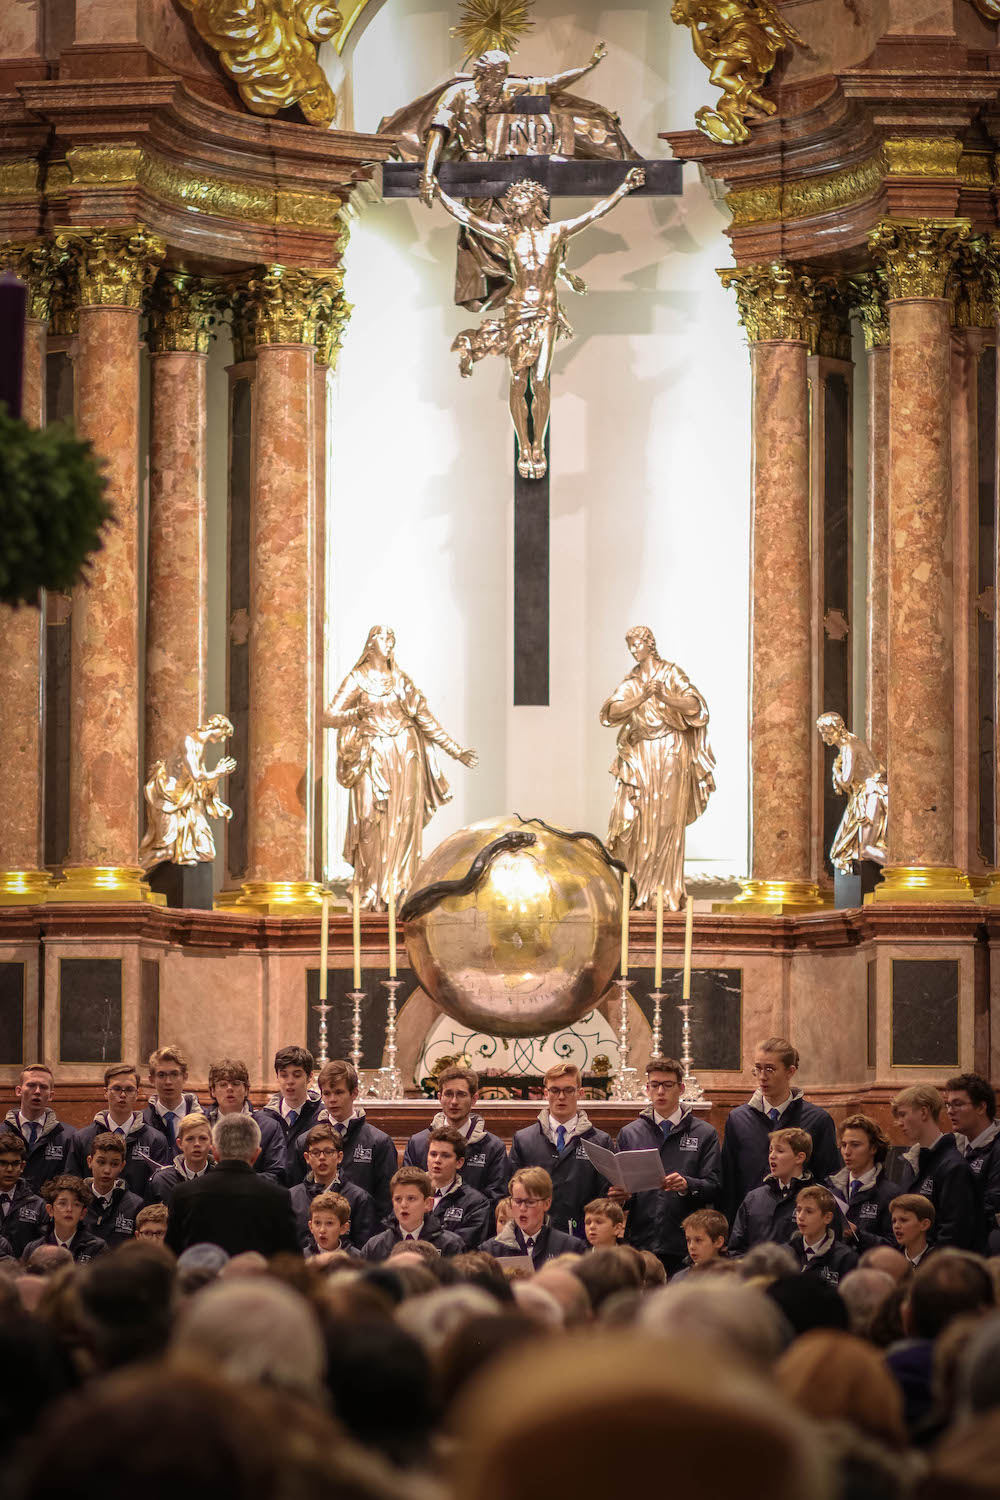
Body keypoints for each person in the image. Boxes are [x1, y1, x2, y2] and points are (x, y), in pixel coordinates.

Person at [437, 171, 646, 481]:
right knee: (518, 378)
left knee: (540, 378)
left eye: (518, 201)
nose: (511, 206)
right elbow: (467, 216)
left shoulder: (557, 232)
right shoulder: (508, 235)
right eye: (511, 202)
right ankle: (523, 445)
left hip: (545, 310)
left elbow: (595, 212)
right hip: (518, 310)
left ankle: (538, 445)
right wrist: (439, 192)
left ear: (533, 203)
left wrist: (625, 187)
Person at [323, 624, 477, 910]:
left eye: (392, 637)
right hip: (371, 756)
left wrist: (456, 751)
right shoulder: (356, 679)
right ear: (370, 644)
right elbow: (328, 716)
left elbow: (426, 720)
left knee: (403, 824)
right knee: (368, 818)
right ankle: (369, 889)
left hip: (406, 755)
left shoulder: (401, 681)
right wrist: (356, 713)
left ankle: (397, 890)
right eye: (383, 636)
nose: (389, 641)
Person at [599, 630, 716, 910]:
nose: (633, 651)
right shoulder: (632, 681)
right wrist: (640, 699)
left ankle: (663, 892)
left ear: (650, 645)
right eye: (630, 646)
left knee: (666, 822)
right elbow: (611, 713)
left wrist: (665, 697)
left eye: (636, 645)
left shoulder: (671, 673)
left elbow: (695, 707)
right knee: (634, 823)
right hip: (640, 755)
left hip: (670, 751)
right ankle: (637, 891)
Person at [611, 1055, 721, 1272]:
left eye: (667, 1085)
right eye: (655, 1085)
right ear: (647, 1088)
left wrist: (687, 1185)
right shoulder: (630, 1133)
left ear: (680, 1089)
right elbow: (626, 1189)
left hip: (685, 1241)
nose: (660, 1091)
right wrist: (622, 1198)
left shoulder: (704, 1133)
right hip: (641, 1239)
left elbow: (715, 1186)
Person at [720, 1037, 839, 1221]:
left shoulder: (817, 1119)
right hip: (752, 1220)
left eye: (770, 1069)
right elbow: (729, 1181)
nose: (762, 1076)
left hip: (798, 1222)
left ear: (790, 1071)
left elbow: (828, 1178)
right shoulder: (738, 1119)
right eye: (758, 1068)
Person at [166, 1113, 299, 1259]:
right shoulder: (278, 1197)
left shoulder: (183, 1194)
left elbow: (171, 1257)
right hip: (257, 1280)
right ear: (256, 1154)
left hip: (202, 1281)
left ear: (215, 1152)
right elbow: (291, 1261)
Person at [507, 1063, 615, 1238]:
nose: (561, 1097)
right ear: (546, 1093)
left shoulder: (599, 1141)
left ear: (580, 1093)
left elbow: (605, 1197)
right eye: (555, 1090)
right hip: (535, 1235)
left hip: (583, 1236)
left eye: (569, 1090)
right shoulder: (524, 1139)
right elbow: (512, 1192)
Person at [402, 1064, 509, 1206]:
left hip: (474, 1224)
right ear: (440, 1097)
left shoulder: (493, 1147)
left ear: (474, 1099)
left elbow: (496, 1200)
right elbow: (408, 1192)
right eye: (448, 1094)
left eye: (461, 1094)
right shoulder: (418, 1143)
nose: (454, 1102)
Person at [309, 1059, 400, 1220]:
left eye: (338, 1092)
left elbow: (387, 1201)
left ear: (354, 1093)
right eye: (327, 1093)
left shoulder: (379, 1142)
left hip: (364, 1233)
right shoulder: (307, 1141)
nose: (332, 1100)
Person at [892, 1083, 976, 1248]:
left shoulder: (954, 1166)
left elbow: (953, 1233)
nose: (899, 1123)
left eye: (903, 1115)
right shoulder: (912, 1161)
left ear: (924, 1112)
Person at [67, 1063, 169, 1195]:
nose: (122, 1095)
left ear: (137, 1094)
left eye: (129, 1089)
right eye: (116, 1088)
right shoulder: (82, 1138)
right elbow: (73, 1185)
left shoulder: (155, 1140)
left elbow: (159, 1188)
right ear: (105, 1093)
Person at [288, 1122, 378, 1250]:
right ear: (307, 1158)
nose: (322, 1158)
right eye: (315, 1152)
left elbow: (364, 1250)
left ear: (339, 1156)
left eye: (328, 1152)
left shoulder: (359, 1198)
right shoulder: (292, 1198)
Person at [727, 1126, 812, 1256]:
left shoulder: (816, 1198)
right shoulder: (754, 1198)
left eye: (780, 1151)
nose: (772, 1156)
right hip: (755, 1274)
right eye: (770, 1150)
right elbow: (736, 1249)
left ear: (799, 1158)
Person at [480, 1166, 587, 1268]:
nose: (522, 1208)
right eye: (517, 1201)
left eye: (530, 1202)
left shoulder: (570, 1247)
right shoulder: (490, 1250)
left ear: (547, 1203)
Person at [825, 1111, 901, 1251]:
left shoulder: (890, 1194)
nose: (847, 1152)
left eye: (855, 1145)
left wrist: (859, 1235)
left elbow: (897, 1245)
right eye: (843, 1145)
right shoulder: (830, 1188)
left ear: (873, 1148)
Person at [943, 1071, 1000, 1255]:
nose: (950, 1111)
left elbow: (993, 1202)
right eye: (948, 1105)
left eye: (958, 1104)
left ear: (981, 1107)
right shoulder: (949, 1146)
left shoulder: (997, 1147)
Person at [204, 1058, 286, 1183]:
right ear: (212, 1091)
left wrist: (238, 1180)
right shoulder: (201, 1126)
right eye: (223, 1084)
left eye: (236, 1083)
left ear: (246, 1089)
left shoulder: (269, 1128)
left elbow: (277, 1175)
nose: (229, 1088)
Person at [362, 1167, 465, 1260]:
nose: (403, 1205)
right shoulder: (375, 1246)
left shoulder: (449, 1245)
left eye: (411, 1198)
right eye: (398, 1199)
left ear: (428, 1204)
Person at [1, 1062, 73, 1190]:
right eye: (31, 1085)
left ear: (51, 1095)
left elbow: (71, 1182)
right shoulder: (1, 1133)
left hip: (48, 1208)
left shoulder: (67, 1136)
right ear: (19, 1091)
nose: (37, 1091)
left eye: (43, 1087)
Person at [258, 1045, 322, 1184]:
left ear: (310, 1076)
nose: (289, 1081)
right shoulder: (263, 1119)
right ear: (277, 1077)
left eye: (297, 1075)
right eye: (284, 1075)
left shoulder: (322, 1117)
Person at [425, 1127, 490, 1248]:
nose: (437, 1160)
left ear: (459, 1162)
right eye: (433, 1154)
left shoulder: (476, 1203)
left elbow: (464, 1247)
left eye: (445, 1156)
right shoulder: (409, 1193)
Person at [21, 1175, 106, 1264]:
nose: (69, 1209)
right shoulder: (34, 1248)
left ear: (83, 1213)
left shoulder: (97, 1248)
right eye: (62, 1203)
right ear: (50, 1210)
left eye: (76, 1204)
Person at [83, 1132, 144, 1248]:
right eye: (101, 1162)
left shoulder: (135, 1205)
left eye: (114, 1164)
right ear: (90, 1161)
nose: (107, 1170)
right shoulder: (78, 1202)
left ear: (122, 1166)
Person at [790, 1185, 858, 1286]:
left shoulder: (846, 1258)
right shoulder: (785, 1252)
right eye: (798, 1210)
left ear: (827, 1217)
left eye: (809, 1211)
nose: (800, 1217)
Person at [142, 1045, 203, 1155]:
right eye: (161, 1075)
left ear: (185, 1077)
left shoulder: (203, 1119)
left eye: (174, 1074)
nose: (168, 1082)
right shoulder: (142, 1122)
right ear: (152, 1079)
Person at [146, 1111, 215, 1207]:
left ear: (211, 1142)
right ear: (180, 1144)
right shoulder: (162, 1181)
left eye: (203, 1138)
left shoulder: (220, 1179)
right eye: (190, 1139)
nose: (197, 1144)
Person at [0, 1130, 46, 1256]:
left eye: (15, 1164)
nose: (9, 1169)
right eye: (3, 1163)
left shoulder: (38, 1206)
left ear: (22, 1166)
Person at [890, 1193, 935, 1270]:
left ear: (924, 1225)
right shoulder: (891, 1260)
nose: (896, 1226)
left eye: (904, 1220)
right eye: (894, 1221)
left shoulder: (937, 1262)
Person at [678, 1209, 729, 1276]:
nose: (691, 1246)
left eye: (698, 1240)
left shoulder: (732, 1277)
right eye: (688, 1240)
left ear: (718, 1242)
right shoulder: (679, 1278)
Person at [305, 1191, 357, 1257]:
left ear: (343, 1228)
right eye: (317, 1222)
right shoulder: (301, 1258)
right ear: (311, 1226)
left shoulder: (357, 1257)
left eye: (329, 1223)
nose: (322, 1230)